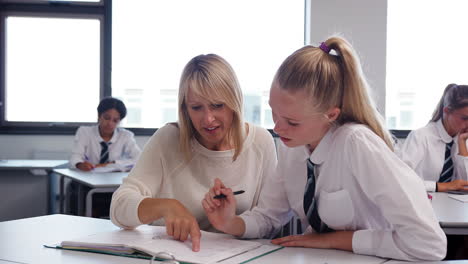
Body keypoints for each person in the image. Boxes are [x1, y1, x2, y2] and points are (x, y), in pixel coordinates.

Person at [202, 38, 446, 261]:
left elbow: (429, 243)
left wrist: (334, 240)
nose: (277, 128)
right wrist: (230, 223)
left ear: (331, 115)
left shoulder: (357, 144)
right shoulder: (292, 146)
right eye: (273, 113)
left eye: (292, 121)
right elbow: (269, 216)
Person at [110, 54, 277, 252]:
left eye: (217, 105)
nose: (208, 119)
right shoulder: (168, 138)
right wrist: (166, 206)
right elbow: (118, 207)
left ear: (234, 102)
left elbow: (271, 221)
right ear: (185, 109)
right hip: (171, 254)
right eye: (196, 107)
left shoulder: (260, 141)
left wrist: (230, 223)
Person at [68, 97, 141, 216]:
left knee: (125, 195)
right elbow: (75, 157)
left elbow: (139, 159)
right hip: (88, 182)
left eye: (115, 120)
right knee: (79, 192)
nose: (110, 123)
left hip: (112, 184)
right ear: (99, 115)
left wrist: (114, 163)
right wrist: (80, 164)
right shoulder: (85, 132)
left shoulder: (126, 136)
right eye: (106, 118)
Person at [399, 84, 468, 193]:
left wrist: (462, 144)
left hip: (453, 206)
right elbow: (400, 179)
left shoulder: (462, 139)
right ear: (447, 111)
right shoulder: (421, 137)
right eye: (465, 118)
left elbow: (464, 186)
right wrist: (442, 186)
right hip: (421, 203)